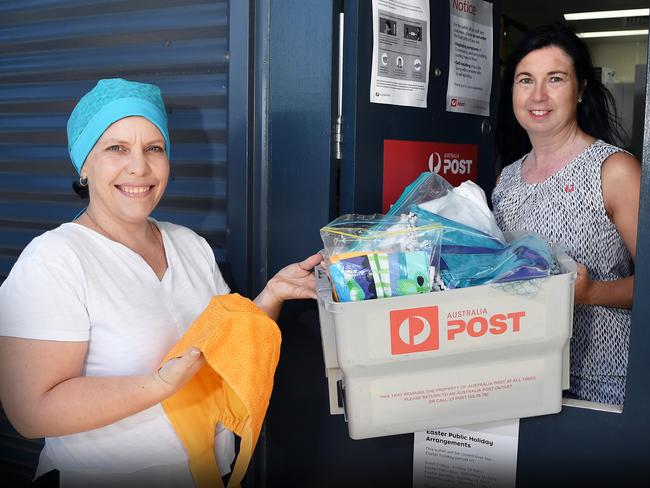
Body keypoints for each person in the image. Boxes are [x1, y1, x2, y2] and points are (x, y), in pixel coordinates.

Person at [0, 78, 323, 487]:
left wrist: (272, 294)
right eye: (116, 148)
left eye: (154, 148)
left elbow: (221, 353)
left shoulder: (189, 245)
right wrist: (159, 385)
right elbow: (32, 411)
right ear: (84, 163)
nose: (139, 167)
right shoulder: (56, 260)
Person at [492, 23, 640, 406]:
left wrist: (593, 292)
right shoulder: (507, 179)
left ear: (580, 90)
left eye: (554, 79)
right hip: (523, 376)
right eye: (525, 80)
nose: (538, 95)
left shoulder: (614, 170)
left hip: (603, 381)